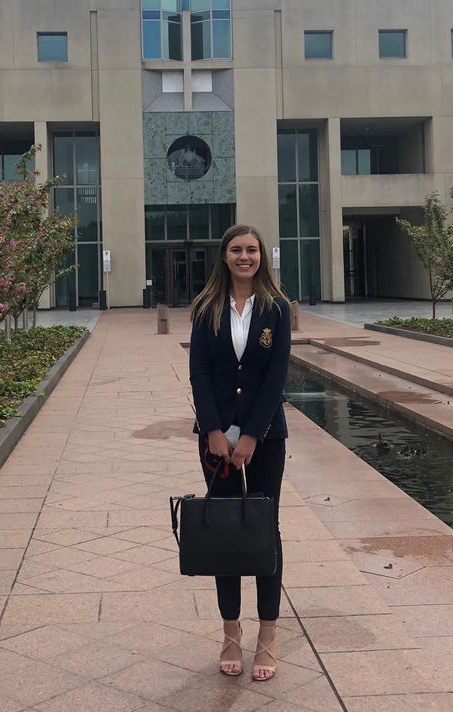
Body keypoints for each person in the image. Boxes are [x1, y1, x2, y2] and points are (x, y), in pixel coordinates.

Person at [189, 223, 291, 681]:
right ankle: (231, 631)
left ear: (261, 256)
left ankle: (267, 635)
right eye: (236, 250)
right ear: (224, 256)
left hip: (265, 439)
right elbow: (201, 374)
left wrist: (251, 434)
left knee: (265, 529)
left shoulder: (278, 308)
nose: (244, 257)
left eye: (251, 250)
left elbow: (275, 377)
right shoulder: (206, 308)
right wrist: (213, 430)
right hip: (214, 439)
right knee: (225, 530)